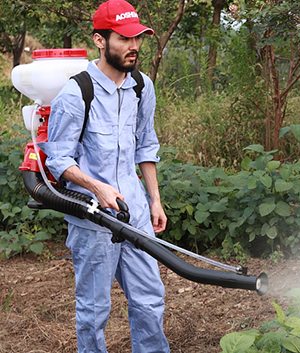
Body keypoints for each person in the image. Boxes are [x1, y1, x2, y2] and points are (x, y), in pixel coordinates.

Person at [39, 0, 170, 352]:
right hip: (93, 218)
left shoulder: (142, 87)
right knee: (94, 309)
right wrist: (97, 187)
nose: (134, 47)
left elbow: (147, 146)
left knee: (149, 299)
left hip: (136, 211)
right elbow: (58, 160)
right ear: (100, 40)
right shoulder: (76, 93)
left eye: (138, 39)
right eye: (124, 39)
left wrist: (154, 199)